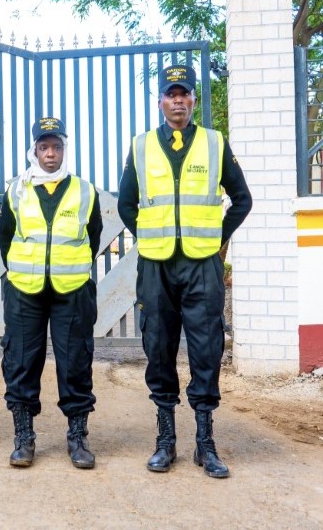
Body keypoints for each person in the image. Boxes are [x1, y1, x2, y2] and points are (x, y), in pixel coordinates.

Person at [118, 64, 253, 478]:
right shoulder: (141, 146)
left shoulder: (214, 144)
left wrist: (216, 239)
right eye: (171, 93)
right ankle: (165, 442)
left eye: (185, 93)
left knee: (206, 350)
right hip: (157, 267)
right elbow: (127, 204)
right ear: (160, 101)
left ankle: (205, 444)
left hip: (201, 266)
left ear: (194, 100)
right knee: (158, 348)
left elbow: (242, 199)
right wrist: (151, 236)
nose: (178, 100)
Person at [0, 116, 102, 470]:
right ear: (35, 151)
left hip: (71, 290)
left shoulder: (84, 190)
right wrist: (21, 269)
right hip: (25, 290)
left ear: (64, 149)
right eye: (44, 147)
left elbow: (95, 237)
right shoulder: (17, 190)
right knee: (22, 362)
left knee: (74, 362)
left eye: (57, 147)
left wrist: (68, 264)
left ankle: (77, 437)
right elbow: (5, 236)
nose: (51, 154)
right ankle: (24, 438)